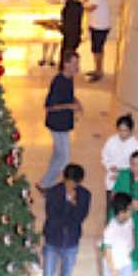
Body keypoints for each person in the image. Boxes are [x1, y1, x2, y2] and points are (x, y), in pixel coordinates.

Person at [39, 163, 90, 276]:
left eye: (75, 183)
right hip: (53, 240)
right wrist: (70, 205)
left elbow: (80, 218)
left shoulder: (85, 195)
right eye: (69, 181)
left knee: (67, 274)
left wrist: (73, 207)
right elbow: (53, 216)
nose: (71, 186)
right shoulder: (53, 192)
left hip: (71, 241)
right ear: (64, 178)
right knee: (48, 275)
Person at [38, 50, 81, 190]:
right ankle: (46, 184)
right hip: (57, 125)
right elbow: (49, 106)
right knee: (64, 159)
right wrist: (70, 105)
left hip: (63, 124)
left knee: (58, 155)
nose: (77, 66)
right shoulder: (58, 81)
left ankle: (46, 183)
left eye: (77, 63)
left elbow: (68, 96)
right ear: (66, 64)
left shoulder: (69, 78)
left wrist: (76, 102)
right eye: (74, 63)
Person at [100, 192, 135, 276]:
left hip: (125, 260)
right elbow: (107, 249)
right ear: (122, 212)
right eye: (130, 208)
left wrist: (131, 247)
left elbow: (131, 233)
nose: (133, 210)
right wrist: (111, 266)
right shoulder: (111, 229)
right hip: (114, 262)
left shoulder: (130, 220)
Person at [100, 114, 138, 206]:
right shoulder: (111, 140)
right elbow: (104, 156)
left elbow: (137, 167)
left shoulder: (136, 145)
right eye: (120, 130)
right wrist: (109, 166)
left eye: (125, 130)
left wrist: (121, 175)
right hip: (111, 176)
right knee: (110, 202)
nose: (122, 133)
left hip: (127, 179)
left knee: (123, 204)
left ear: (131, 130)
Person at [83, 0, 111, 81]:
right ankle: (97, 69)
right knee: (95, 49)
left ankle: (99, 72)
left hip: (101, 27)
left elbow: (90, 8)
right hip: (94, 25)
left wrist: (79, 6)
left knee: (97, 50)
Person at [57, 0, 82, 64]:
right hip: (76, 35)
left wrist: (58, 27)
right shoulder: (78, 4)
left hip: (69, 37)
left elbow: (67, 26)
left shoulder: (66, 9)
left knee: (66, 59)